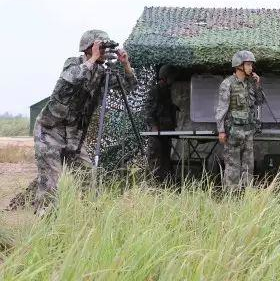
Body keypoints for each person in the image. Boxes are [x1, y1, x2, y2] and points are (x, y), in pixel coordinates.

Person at [33, 30, 137, 214]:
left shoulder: (102, 73)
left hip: (74, 135)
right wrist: (93, 58)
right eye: (100, 47)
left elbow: (129, 86)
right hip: (50, 130)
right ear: (89, 48)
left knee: (88, 175)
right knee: (50, 181)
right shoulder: (74, 63)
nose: (104, 52)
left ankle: (91, 217)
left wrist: (126, 64)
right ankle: (46, 226)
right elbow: (71, 79)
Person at [215, 50, 264, 188]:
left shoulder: (251, 83)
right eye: (248, 64)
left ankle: (246, 196)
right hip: (234, 132)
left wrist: (257, 84)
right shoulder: (227, 84)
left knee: (249, 165)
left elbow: (259, 102)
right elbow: (221, 108)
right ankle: (231, 196)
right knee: (232, 165)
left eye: (251, 65)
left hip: (248, 132)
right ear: (239, 66)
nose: (251, 68)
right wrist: (221, 130)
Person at [144, 64, 179, 184]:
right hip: (157, 134)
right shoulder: (156, 90)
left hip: (166, 132)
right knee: (155, 162)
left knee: (165, 161)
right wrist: (154, 127)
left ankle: (164, 187)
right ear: (165, 77)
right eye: (171, 77)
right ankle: (154, 188)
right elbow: (148, 111)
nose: (173, 80)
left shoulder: (167, 90)